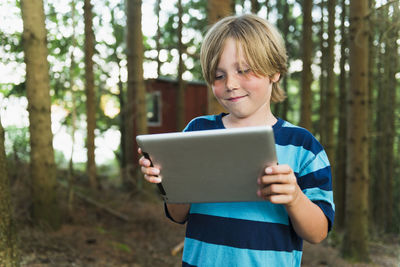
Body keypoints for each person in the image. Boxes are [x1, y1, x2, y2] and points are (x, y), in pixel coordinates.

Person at [138, 14, 334, 266]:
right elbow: (178, 215)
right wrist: (171, 180)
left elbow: (318, 232)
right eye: (219, 76)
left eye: (244, 71)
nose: (230, 84)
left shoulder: (303, 146)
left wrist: (294, 197)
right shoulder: (197, 133)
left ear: (274, 71)